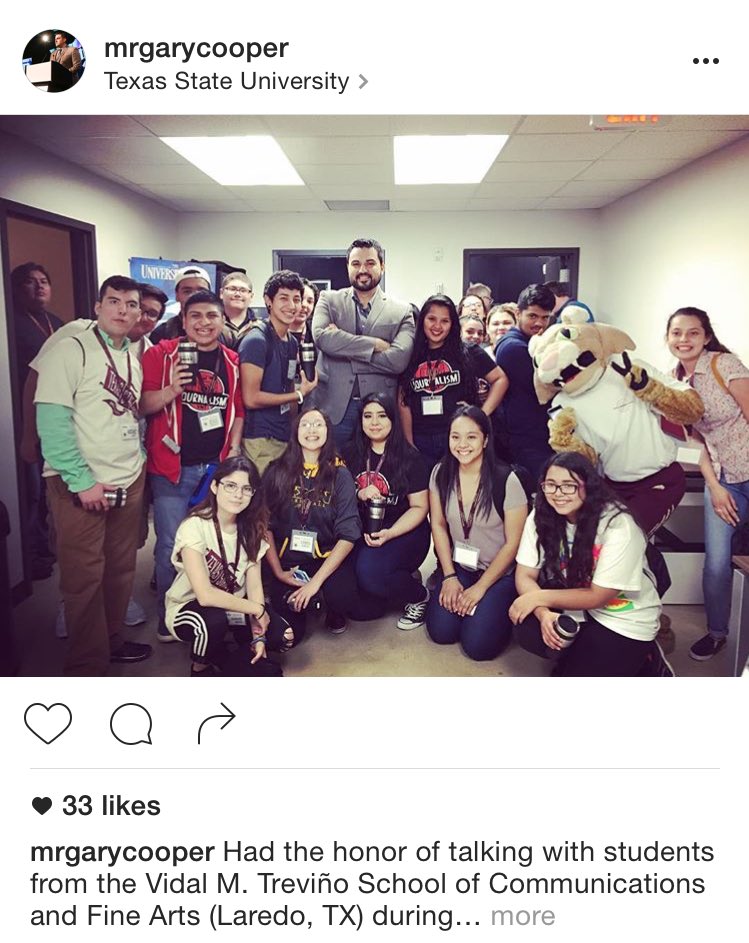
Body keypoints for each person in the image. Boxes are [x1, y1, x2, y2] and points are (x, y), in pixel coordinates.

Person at [34, 275, 151, 675]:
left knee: (120, 570)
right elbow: (52, 422)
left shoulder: (130, 356)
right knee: (83, 576)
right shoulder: (71, 349)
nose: (123, 310)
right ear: (98, 307)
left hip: (127, 478)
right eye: (114, 301)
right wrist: (81, 481)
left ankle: (111, 641)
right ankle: (87, 663)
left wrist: (138, 462)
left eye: (131, 304)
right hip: (80, 484)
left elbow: (127, 415)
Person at [141, 290, 244, 643]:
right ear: (183, 321)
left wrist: (232, 451)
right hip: (172, 468)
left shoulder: (231, 360)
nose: (204, 323)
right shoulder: (160, 355)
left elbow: (238, 411)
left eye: (212, 315)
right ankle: (168, 619)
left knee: (212, 544)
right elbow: (142, 404)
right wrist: (172, 389)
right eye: (195, 316)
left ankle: (205, 612)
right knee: (171, 545)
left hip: (215, 469)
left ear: (222, 320)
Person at [511, 452, 670, 676]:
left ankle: (647, 659)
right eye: (551, 485)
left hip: (623, 618)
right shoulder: (541, 514)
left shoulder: (618, 524)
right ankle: (580, 656)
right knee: (527, 627)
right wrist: (543, 613)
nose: (558, 493)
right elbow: (525, 575)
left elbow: (599, 596)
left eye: (569, 486)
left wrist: (537, 598)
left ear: (588, 486)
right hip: (579, 607)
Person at [667, 306, 749, 661]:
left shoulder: (724, 365)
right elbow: (696, 441)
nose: (684, 339)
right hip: (723, 480)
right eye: (676, 332)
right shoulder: (673, 383)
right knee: (717, 563)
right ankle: (717, 633)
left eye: (693, 332)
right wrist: (714, 487)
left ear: (706, 336)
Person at [165, 456, 293, 676]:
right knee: (212, 622)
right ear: (215, 486)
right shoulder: (194, 526)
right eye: (231, 485)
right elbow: (205, 595)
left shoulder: (253, 529)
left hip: (236, 605)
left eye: (246, 488)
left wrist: (259, 637)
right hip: (191, 606)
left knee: (283, 637)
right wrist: (257, 610)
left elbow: (254, 588)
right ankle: (200, 667)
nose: (238, 494)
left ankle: (231, 652)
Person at [426, 406, 527, 660]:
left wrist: (480, 588)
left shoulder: (507, 480)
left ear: (485, 440)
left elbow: (514, 544)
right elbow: (438, 524)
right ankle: (474, 607)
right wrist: (449, 576)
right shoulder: (440, 473)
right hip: (461, 566)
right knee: (441, 631)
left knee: (477, 646)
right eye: (455, 436)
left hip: (499, 572)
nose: (462, 444)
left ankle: (496, 610)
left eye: (471, 437)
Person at [262, 408, 366, 636]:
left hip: (325, 558)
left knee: (343, 597)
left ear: (328, 432)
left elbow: (348, 536)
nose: (312, 430)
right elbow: (264, 525)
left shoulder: (340, 475)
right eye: (305, 424)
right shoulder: (276, 471)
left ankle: (328, 605)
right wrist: (278, 572)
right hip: (288, 561)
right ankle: (306, 601)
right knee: (289, 631)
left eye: (318, 424)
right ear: (295, 432)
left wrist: (314, 583)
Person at [311, 237, 415, 447]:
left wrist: (343, 347)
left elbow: (398, 361)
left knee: (376, 466)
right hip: (333, 408)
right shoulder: (328, 300)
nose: (362, 270)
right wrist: (374, 344)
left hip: (379, 411)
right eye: (356, 263)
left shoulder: (402, 310)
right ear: (348, 266)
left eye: (370, 263)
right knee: (331, 465)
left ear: (382, 266)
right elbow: (322, 338)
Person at [343, 393, 431, 630]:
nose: (374, 422)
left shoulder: (410, 457)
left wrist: (390, 533)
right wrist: (358, 493)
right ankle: (396, 579)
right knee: (360, 610)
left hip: (404, 531)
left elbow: (420, 507)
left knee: (369, 572)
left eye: (382, 416)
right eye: (368, 416)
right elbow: (338, 498)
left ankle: (419, 596)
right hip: (364, 531)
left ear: (393, 419)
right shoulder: (350, 453)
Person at [399, 294, 506, 471]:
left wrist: (481, 413)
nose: (437, 326)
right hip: (421, 438)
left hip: (458, 437)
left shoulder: (468, 351)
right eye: (432, 319)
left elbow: (500, 379)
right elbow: (403, 401)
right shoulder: (411, 354)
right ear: (422, 320)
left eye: (445, 321)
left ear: (452, 324)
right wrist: (409, 443)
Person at [12, 262, 64, 580]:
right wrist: (27, 434)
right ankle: (29, 555)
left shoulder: (56, 323)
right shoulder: (12, 324)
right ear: (17, 289)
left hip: (56, 421)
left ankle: (45, 547)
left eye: (44, 281)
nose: (40, 286)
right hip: (25, 419)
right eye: (30, 282)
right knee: (30, 490)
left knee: (49, 488)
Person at [239, 270, 317, 474]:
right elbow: (251, 398)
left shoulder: (291, 343)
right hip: (260, 439)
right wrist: (300, 394)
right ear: (268, 301)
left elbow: (287, 385)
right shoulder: (256, 340)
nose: (291, 305)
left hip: (284, 436)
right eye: (283, 298)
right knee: (261, 493)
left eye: (296, 299)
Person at [494, 283, 555, 482]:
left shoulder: (534, 342)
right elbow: (547, 387)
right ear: (518, 313)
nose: (539, 323)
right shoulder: (513, 347)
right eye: (533, 316)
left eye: (545, 317)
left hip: (538, 435)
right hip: (526, 439)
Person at [150, 264, 212, 343]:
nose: (194, 296)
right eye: (187, 291)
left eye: (201, 291)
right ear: (177, 295)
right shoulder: (162, 333)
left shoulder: (222, 332)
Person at [219, 271, 255, 350]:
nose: (238, 294)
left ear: (251, 296)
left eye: (243, 290)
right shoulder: (212, 324)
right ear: (221, 293)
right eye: (232, 289)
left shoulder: (259, 328)